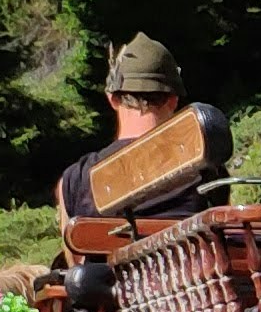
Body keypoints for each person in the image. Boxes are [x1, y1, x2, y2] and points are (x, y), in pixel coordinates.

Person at [54, 34, 194, 223]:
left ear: (112, 99)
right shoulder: (203, 167)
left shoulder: (73, 183)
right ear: (173, 101)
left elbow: (73, 252)